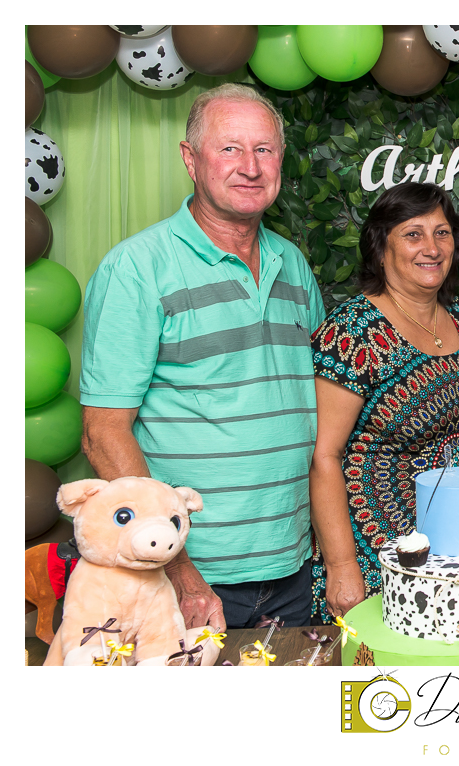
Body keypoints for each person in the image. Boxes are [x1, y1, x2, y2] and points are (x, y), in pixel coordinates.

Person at [79, 83, 325, 631]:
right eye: (229, 148)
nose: (250, 167)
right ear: (191, 159)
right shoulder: (137, 269)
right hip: (187, 579)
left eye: (264, 149)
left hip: (293, 567)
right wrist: (180, 571)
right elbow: (102, 433)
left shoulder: (292, 263)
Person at [309, 182, 459, 622]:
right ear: (381, 249)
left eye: (442, 233)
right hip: (378, 557)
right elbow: (324, 456)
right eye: (413, 234)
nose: (432, 248)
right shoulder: (354, 329)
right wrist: (342, 566)